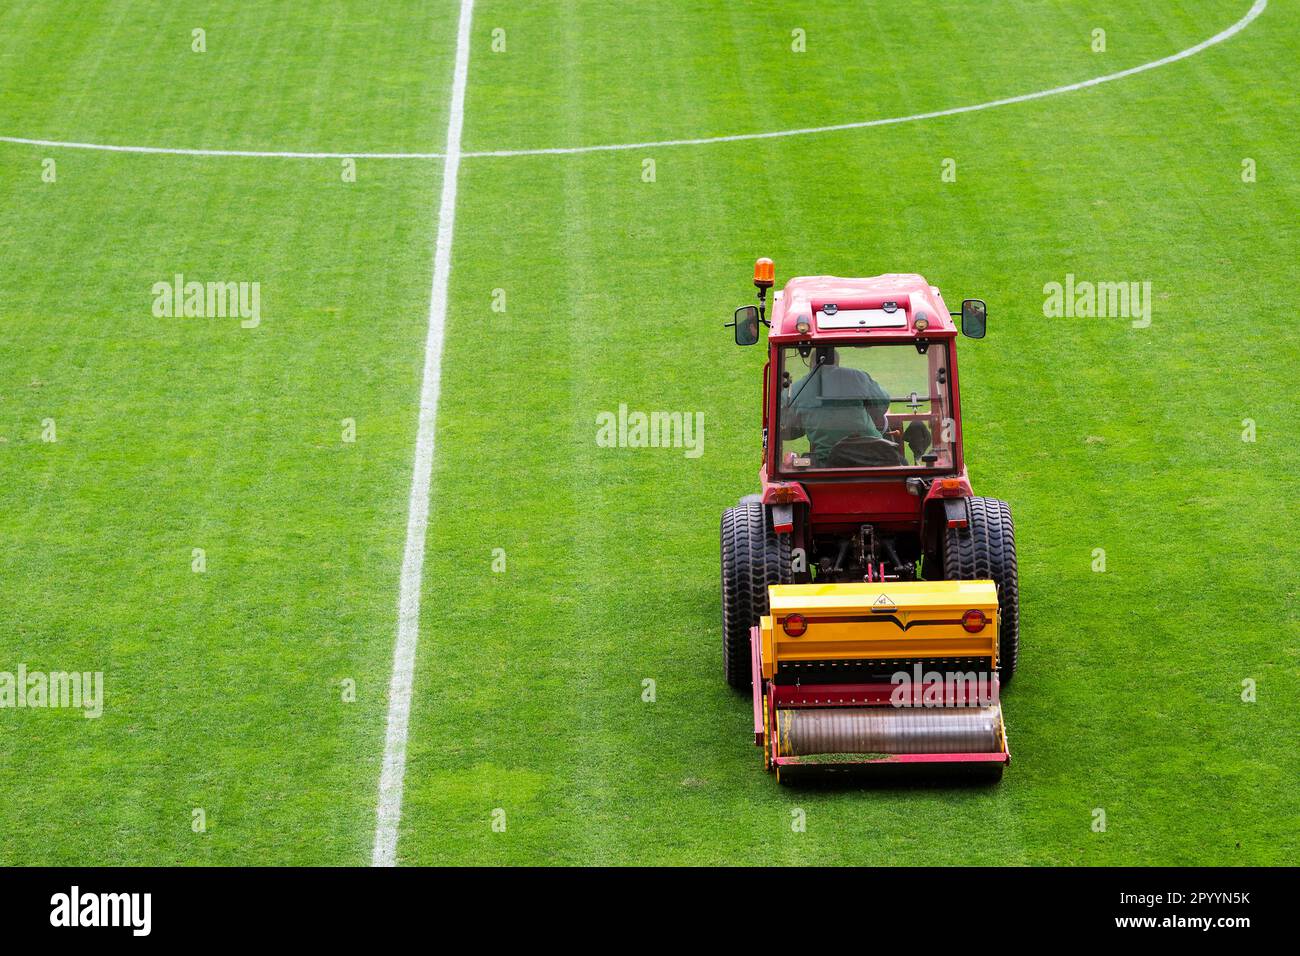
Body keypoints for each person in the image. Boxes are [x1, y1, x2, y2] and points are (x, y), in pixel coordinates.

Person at [781, 347, 892, 466]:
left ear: (811, 365)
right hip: (874, 455)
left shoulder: (795, 390)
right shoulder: (858, 377)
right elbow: (882, 404)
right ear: (837, 363)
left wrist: (808, 422)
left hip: (827, 463)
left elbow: (787, 430)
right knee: (901, 462)